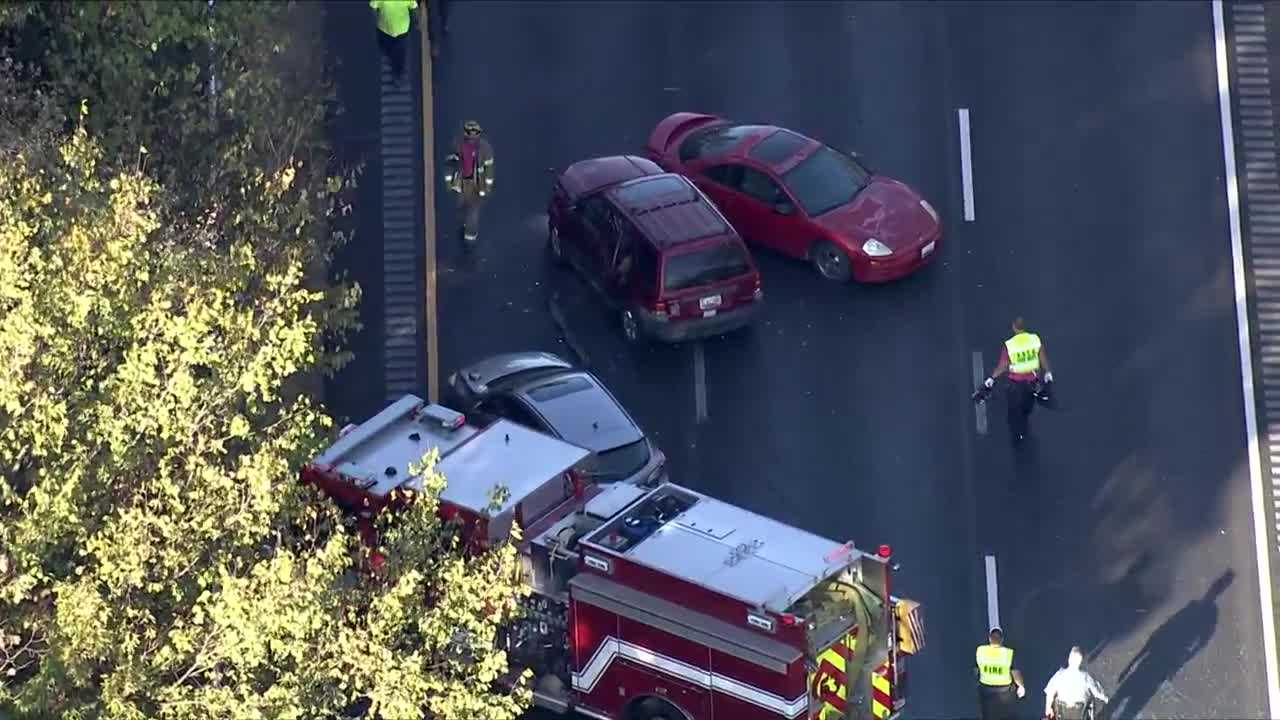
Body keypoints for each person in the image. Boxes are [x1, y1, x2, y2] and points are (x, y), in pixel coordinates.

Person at [983, 316, 1053, 442]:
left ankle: (1016, 431)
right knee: (1027, 407)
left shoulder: (1010, 345)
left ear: (1014, 328)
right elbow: (1042, 356)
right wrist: (1048, 372)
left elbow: (1003, 366)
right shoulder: (1034, 339)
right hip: (1032, 381)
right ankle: (1025, 419)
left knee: (1013, 409)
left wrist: (991, 379)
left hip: (1015, 383)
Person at [443, 120, 495, 247]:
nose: (472, 137)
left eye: (474, 134)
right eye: (469, 134)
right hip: (461, 185)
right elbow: (450, 165)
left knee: (473, 213)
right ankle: (465, 225)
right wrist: (449, 183)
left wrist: (487, 187)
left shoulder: (485, 149)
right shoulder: (457, 145)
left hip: (477, 186)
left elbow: (489, 170)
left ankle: (469, 240)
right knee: (461, 208)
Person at [1044, 646, 1109, 719]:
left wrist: (1048, 709)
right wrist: (1105, 698)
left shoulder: (1059, 674)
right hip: (1080, 714)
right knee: (1090, 697)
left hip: (1062, 714)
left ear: (1069, 659)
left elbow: (1049, 692)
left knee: (1055, 696)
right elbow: (1097, 692)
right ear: (1080, 662)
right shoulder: (1085, 677)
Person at [976, 627, 1026, 720]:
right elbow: (1015, 672)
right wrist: (1021, 686)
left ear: (989, 638)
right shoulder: (1008, 653)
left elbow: (976, 668)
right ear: (1002, 639)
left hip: (986, 690)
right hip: (1005, 692)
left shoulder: (980, 651)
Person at [370, 0, 417, 86]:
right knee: (396, 53)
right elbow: (414, 9)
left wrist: (376, 23)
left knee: (399, 55)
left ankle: (398, 74)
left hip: (388, 30)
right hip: (399, 30)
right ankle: (398, 72)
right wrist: (415, 23)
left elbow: (373, 9)